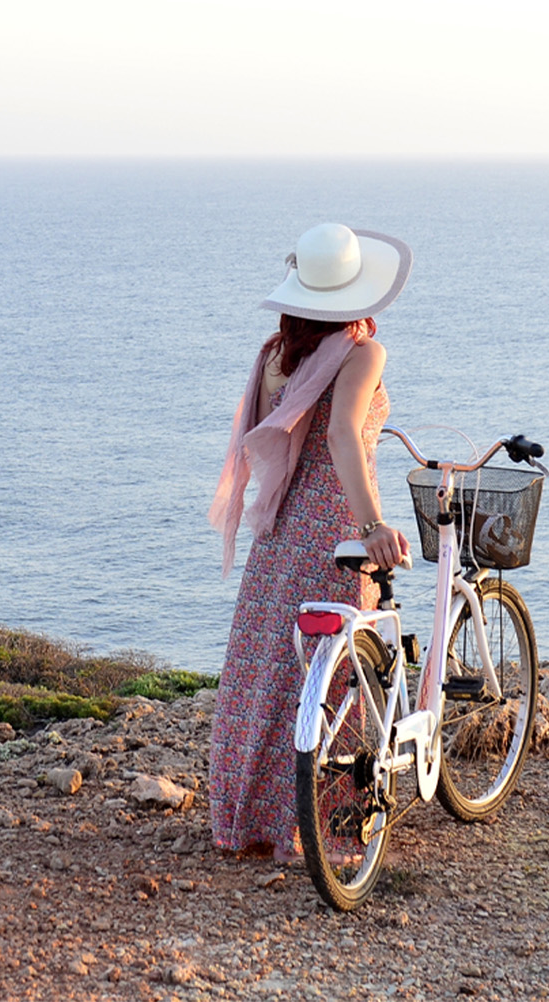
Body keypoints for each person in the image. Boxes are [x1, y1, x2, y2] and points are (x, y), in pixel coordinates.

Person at [207, 222, 413, 860]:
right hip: (331, 526)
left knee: (269, 671)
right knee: (342, 674)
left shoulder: (276, 353)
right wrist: (372, 525)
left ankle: (250, 822)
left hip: (279, 528)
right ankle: (328, 830)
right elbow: (342, 436)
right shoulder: (359, 353)